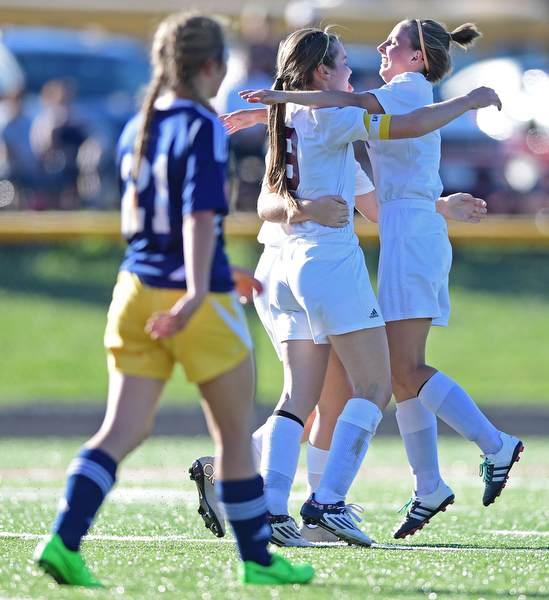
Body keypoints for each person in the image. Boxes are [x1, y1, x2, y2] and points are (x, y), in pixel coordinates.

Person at [32, 12, 315, 587]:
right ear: (210, 66)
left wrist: (213, 269)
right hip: (192, 296)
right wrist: (197, 286)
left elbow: (146, 223)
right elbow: (197, 214)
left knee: (120, 431)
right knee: (234, 436)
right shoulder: (203, 124)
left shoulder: (138, 123)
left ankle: (63, 541)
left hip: (134, 288)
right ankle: (259, 563)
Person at [196, 25, 502, 549]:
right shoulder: (333, 118)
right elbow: (408, 124)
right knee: (373, 389)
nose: (352, 71)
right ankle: (325, 503)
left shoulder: (292, 119)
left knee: (312, 398)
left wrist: (438, 205)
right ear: (321, 73)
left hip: (289, 271)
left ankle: (263, 499)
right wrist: (470, 100)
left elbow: (372, 205)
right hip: (323, 264)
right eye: (340, 63)